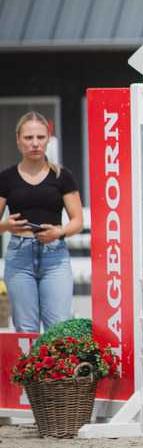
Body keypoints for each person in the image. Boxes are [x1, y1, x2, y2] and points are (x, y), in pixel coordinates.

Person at [0, 112, 83, 333]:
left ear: (48, 138)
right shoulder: (6, 178)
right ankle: (28, 368)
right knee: (26, 329)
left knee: (59, 327)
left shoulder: (63, 176)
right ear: (18, 139)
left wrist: (60, 232)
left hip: (55, 254)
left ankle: (56, 369)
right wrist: (6, 226)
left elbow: (78, 221)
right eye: (28, 138)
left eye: (40, 137)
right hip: (19, 255)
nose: (35, 143)